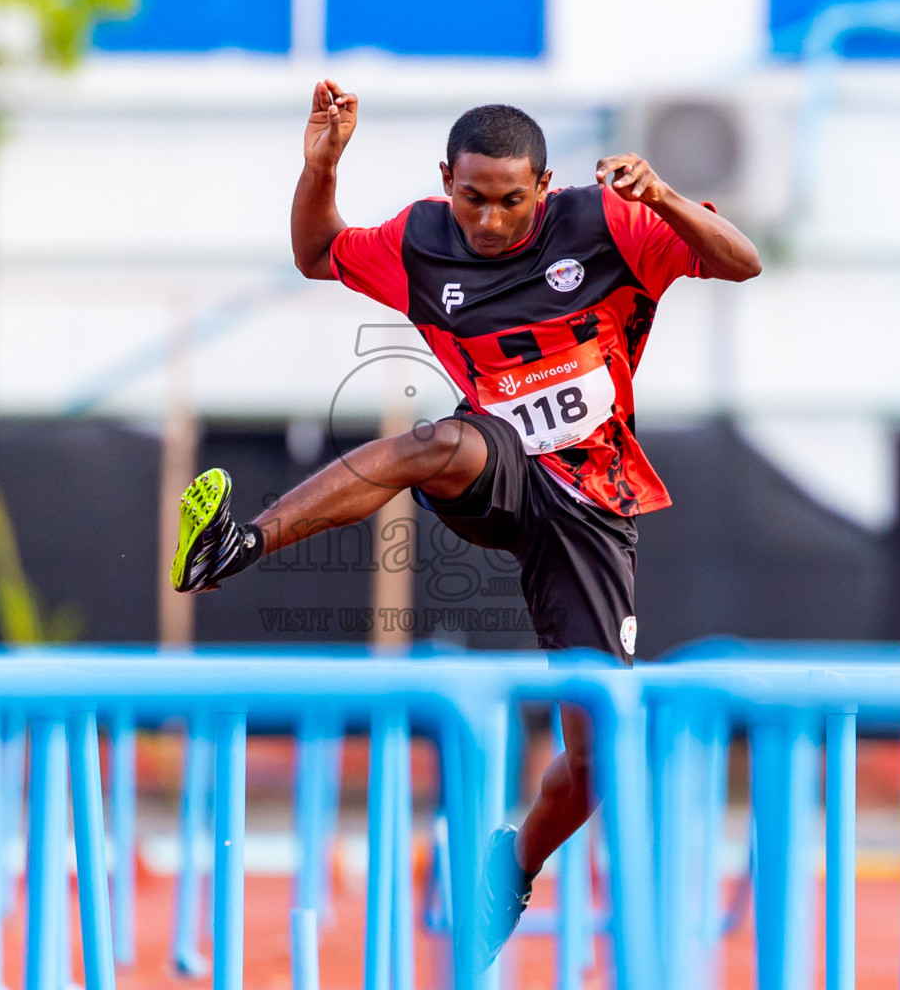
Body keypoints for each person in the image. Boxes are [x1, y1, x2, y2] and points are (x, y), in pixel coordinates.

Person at [170, 80, 761, 965]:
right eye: (472, 198)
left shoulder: (609, 223)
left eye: (511, 202)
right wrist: (320, 166)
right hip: (500, 473)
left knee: (597, 754)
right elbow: (314, 252)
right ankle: (239, 541)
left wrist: (667, 196)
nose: (488, 221)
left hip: (593, 505)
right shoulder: (419, 240)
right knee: (438, 443)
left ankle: (508, 870)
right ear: (445, 180)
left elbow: (742, 261)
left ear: (545, 184)